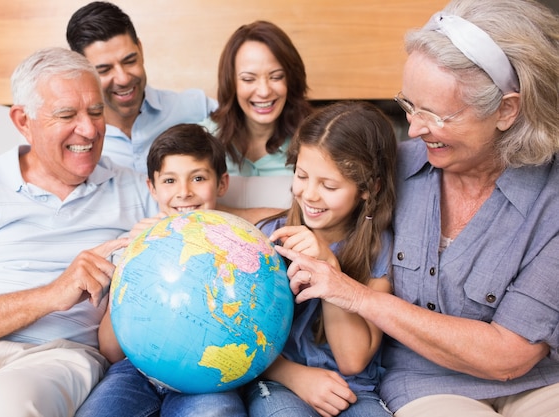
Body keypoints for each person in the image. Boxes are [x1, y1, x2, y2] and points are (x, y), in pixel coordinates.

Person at [274, 1, 559, 416]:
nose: (413, 128)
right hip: (423, 384)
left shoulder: (550, 198)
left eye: (435, 114)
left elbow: (511, 355)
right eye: (409, 105)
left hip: (539, 382)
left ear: (506, 110)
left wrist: (350, 293)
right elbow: (317, 208)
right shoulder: (396, 167)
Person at [0, 47, 154, 417]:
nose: (89, 129)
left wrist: (285, 209)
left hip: (55, 358)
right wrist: (52, 294)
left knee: (3, 409)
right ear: (23, 120)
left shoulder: (135, 189)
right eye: (67, 115)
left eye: (96, 112)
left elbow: (205, 213)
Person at [75, 123, 248, 417]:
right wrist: (134, 261)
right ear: (151, 188)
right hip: (136, 370)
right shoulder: (138, 244)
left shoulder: (241, 249)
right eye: (169, 181)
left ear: (222, 183)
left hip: (208, 372)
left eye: (198, 177)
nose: (184, 192)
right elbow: (112, 351)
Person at [244, 101, 397, 417]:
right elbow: (243, 338)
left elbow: (353, 361)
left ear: (370, 188)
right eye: (301, 175)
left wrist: (329, 269)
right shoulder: (270, 237)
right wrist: (292, 375)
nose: (310, 194)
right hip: (279, 381)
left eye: (329, 185)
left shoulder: (380, 250)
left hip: (355, 389)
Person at [66, 1, 217, 176]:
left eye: (130, 61)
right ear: (81, 70)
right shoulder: (73, 139)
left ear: (140, 49)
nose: (123, 79)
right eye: (104, 70)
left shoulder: (195, 107)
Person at [202, 20, 312, 177]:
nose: (264, 91)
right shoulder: (204, 138)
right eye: (248, 79)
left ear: (291, 80)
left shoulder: (315, 142)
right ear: (231, 83)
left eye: (276, 77)